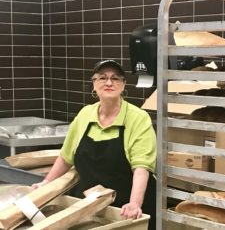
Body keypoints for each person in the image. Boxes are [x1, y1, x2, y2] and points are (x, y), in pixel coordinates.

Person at [33, 60, 157, 229]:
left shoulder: (138, 118)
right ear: (94, 84)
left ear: (123, 85)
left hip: (125, 209)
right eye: (102, 78)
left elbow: (141, 167)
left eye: (115, 78)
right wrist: (45, 184)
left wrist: (134, 203)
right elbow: (65, 157)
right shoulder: (85, 114)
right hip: (89, 205)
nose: (108, 83)